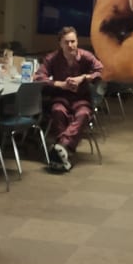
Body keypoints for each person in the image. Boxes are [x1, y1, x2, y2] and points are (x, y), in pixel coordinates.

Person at [34, 27, 103, 172]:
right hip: (61, 97)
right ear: (60, 43)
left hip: (81, 99)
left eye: (73, 41)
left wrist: (83, 77)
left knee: (83, 114)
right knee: (57, 111)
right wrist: (61, 84)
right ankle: (65, 152)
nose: (70, 45)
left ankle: (61, 148)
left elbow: (101, 71)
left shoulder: (86, 56)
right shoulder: (52, 58)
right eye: (67, 42)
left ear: (77, 41)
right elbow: (39, 78)